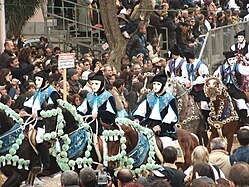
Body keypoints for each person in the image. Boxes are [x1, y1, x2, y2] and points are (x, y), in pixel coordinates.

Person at [23, 69, 60, 175]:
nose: (36, 82)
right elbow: (29, 105)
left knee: (41, 140)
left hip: (48, 123)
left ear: (46, 81)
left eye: (39, 80)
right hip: (36, 122)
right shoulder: (38, 92)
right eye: (36, 80)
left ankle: (46, 167)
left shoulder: (52, 92)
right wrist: (24, 110)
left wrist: (39, 113)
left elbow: (52, 109)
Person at [132, 70, 178, 140]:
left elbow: (171, 116)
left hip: (163, 127)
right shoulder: (149, 96)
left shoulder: (170, 99)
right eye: (154, 84)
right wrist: (137, 118)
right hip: (148, 123)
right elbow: (141, 109)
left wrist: (161, 127)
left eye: (158, 84)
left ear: (163, 85)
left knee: (166, 142)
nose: (155, 86)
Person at [213, 51, 249, 126]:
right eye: (230, 60)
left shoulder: (237, 66)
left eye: (233, 59)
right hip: (225, 90)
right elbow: (216, 78)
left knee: (241, 104)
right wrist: (222, 85)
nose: (232, 61)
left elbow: (246, 70)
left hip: (235, 90)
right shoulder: (221, 68)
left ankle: (243, 121)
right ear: (227, 60)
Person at [77, 71, 117, 135]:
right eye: (92, 84)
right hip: (88, 123)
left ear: (102, 84)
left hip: (104, 126)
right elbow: (82, 109)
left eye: (96, 84)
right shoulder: (89, 96)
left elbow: (112, 114)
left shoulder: (108, 96)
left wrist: (99, 114)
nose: (94, 86)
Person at [183, 49, 210, 132]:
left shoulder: (201, 66)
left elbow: (205, 77)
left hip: (200, 89)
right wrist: (187, 82)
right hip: (190, 89)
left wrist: (193, 83)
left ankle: (206, 123)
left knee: (204, 105)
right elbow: (185, 76)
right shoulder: (187, 66)